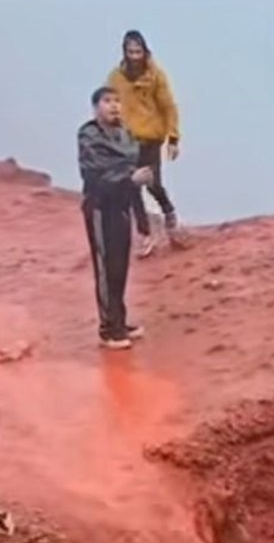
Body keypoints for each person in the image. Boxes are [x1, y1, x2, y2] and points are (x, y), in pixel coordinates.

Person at [78, 86, 154, 349]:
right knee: (105, 267)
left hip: (122, 207)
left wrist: (142, 222)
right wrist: (127, 178)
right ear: (96, 106)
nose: (114, 106)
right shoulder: (89, 136)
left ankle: (119, 320)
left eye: (117, 101)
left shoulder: (126, 135)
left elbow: (134, 177)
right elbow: (94, 174)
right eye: (108, 101)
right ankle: (108, 329)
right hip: (100, 207)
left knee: (120, 268)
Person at [107, 30, 182, 257]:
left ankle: (167, 209)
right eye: (130, 52)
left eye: (138, 51)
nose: (135, 56)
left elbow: (168, 106)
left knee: (151, 183)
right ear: (125, 53)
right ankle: (145, 234)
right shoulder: (116, 78)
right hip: (127, 139)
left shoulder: (155, 76)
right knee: (131, 187)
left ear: (144, 51)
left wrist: (173, 138)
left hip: (151, 137)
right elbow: (109, 104)